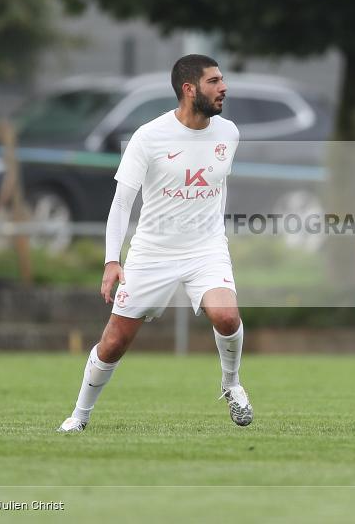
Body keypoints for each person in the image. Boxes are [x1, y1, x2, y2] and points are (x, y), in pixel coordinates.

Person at [57, 54, 253, 432]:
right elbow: (121, 203)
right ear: (189, 89)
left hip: (206, 249)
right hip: (152, 252)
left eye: (222, 79)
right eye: (214, 81)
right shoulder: (148, 137)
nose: (223, 87)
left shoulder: (229, 133)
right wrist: (112, 261)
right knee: (114, 342)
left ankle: (231, 384)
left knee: (227, 315)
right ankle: (79, 416)